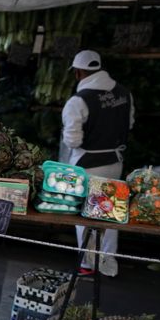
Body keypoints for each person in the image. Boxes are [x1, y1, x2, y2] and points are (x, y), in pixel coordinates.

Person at [61, 50, 134, 278]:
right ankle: (107, 262)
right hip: (114, 161)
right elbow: (129, 124)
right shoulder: (125, 94)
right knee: (109, 213)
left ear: (78, 73)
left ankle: (88, 263)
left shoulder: (78, 101)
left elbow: (73, 140)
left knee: (85, 215)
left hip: (88, 163)